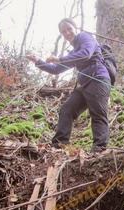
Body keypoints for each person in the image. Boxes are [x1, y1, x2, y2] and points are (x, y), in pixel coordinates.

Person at [26, 18, 110, 152]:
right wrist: (38, 61)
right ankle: (59, 144)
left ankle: (99, 149)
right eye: (63, 31)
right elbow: (56, 69)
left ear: (76, 28)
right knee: (67, 110)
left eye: (69, 29)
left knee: (98, 114)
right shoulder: (73, 52)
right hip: (84, 84)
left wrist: (60, 58)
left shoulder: (85, 37)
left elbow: (86, 54)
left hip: (98, 78)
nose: (67, 32)